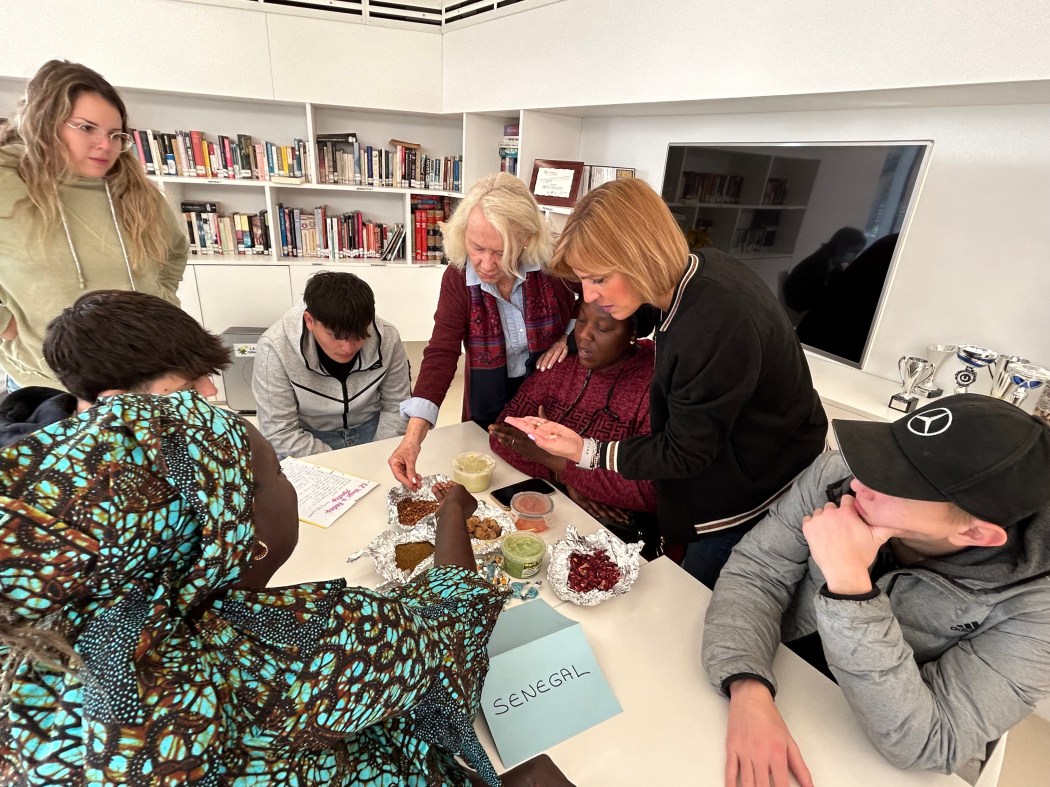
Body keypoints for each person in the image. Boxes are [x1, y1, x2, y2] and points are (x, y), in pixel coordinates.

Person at [0, 389, 572, 786]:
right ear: (240, 535)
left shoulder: (52, 649)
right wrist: (451, 517)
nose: (289, 482)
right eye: (276, 472)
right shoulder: (296, 643)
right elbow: (451, 626)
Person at [702, 394, 1050, 786]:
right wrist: (748, 686)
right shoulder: (837, 476)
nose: (858, 483)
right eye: (884, 454)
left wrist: (850, 587)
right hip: (774, 667)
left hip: (865, 739)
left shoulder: (1036, 607)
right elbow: (756, 572)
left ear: (975, 534)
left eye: (896, 482)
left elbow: (933, 743)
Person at [506, 179, 828, 587]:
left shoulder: (712, 327)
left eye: (598, 279)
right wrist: (576, 337)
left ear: (640, 256)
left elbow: (684, 452)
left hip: (759, 489)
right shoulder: (695, 268)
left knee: (695, 598)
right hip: (759, 453)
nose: (589, 295)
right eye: (583, 281)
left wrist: (583, 451)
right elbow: (646, 312)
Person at [0, 59, 189, 391]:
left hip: (141, 373)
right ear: (45, 121)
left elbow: (174, 250)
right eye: (87, 128)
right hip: (50, 383)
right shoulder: (7, 184)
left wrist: (162, 298)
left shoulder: (137, 191)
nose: (105, 145)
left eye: (115, 135)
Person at [388, 172, 576, 491]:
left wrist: (568, 336)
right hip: (488, 395)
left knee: (546, 481)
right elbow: (442, 353)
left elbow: (595, 297)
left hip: (550, 393)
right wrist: (412, 439)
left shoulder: (552, 265)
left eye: (501, 252)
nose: (485, 264)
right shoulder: (457, 278)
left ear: (526, 239)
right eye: (477, 247)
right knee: (489, 475)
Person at [489, 299, 657, 533]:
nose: (584, 335)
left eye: (603, 328)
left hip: (612, 531)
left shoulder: (654, 384)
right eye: (581, 320)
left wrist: (555, 461)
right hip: (552, 511)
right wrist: (564, 475)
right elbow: (501, 433)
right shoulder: (562, 365)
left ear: (633, 332)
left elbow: (648, 491)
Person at [0, 288, 227, 447]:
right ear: (116, 400)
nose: (210, 391)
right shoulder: (66, 485)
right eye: (187, 387)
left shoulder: (182, 427)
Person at [253, 271, 411, 459]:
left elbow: (397, 406)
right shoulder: (275, 347)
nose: (347, 348)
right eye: (336, 336)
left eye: (360, 335)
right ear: (309, 321)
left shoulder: (388, 337)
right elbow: (279, 432)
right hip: (309, 436)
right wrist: (336, 463)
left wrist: (379, 455)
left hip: (373, 428)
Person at [781, 226, 866, 315]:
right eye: (853, 251)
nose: (854, 256)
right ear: (841, 245)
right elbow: (818, 293)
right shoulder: (818, 263)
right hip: (797, 307)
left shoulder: (833, 264)